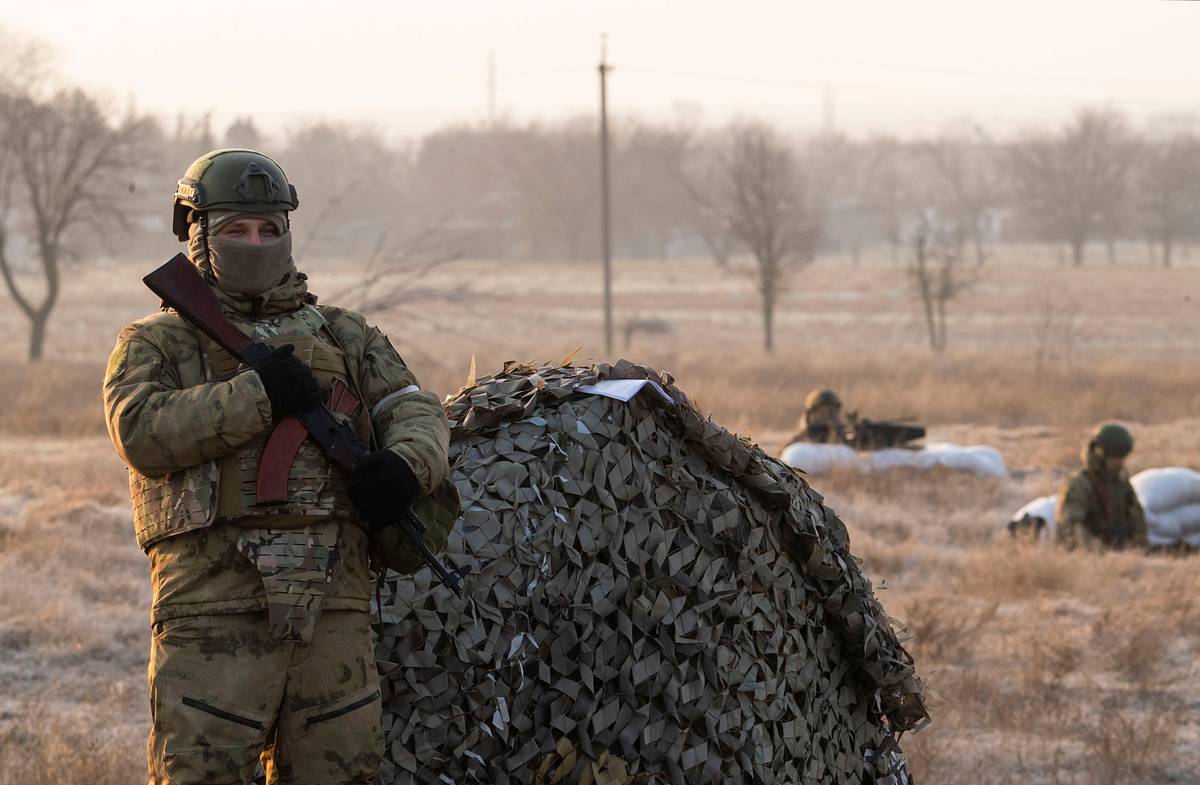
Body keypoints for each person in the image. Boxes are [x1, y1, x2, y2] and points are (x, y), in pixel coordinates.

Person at [102, 148, 453, 784]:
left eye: (270, 229)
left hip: (335, 605)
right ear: (197, 234)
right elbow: (141, 430)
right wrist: (259, 396)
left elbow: (416, 411)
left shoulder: (347, 335)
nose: (256, 243)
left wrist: (405, 467)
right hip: (212, 607)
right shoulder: (158, 340)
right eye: (236, 229)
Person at [1056, 423, 1147, 550]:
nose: (1120, 463)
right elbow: (1070, 528)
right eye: (1115, 459)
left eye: (1122, 458)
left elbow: (1137, 520)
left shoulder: (1121, 483)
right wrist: (1099, 550)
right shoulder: (1080, 485)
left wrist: (1138, 547)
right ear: (1101, 455)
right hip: (1090, 556)